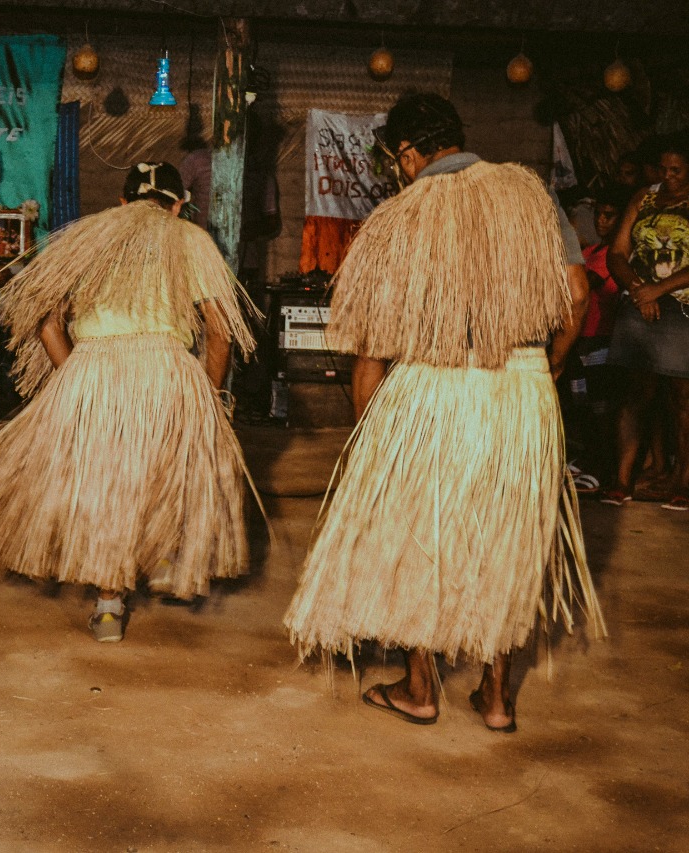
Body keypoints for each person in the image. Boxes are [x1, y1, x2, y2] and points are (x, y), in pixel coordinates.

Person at [284, 93, 603, 733]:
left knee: (412, 535)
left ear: (407, 153)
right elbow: (576, 294)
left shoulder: (397, 218)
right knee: (506, 540)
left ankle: (420, 689)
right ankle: (495, 699)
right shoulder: (528, 194)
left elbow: (370, 350)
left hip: (430, 394)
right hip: (520, 390)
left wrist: (369, 440)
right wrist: (549, 367)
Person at [0, 162, 258, 643]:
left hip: (93, 368)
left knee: (107, 483)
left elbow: (46, 323)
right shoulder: (190, 238)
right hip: (164, 367)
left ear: (124, 203)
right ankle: (164, 559)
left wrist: (77, 382)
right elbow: (220, 331)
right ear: (176, 204)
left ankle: (109, 605)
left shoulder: (86, 237)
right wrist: (211, 397)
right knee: (165, 471)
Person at [602, 134, 689, 511]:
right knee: (635, 395)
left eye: (677, 170)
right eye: (664, 168)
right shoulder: (643, 198)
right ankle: (622, 481)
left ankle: (684, 481)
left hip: (682, 308)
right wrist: (638, 289)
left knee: (682, 399)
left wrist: (659, 290)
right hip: (639, 304)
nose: (669, 176)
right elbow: (617, 252)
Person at [566, 184, 633, 487]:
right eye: (599, 215)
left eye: (610, 216)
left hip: (601, 340)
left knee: (600, 408)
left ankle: (602, 468)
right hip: (581, 339)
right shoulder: (588, 252)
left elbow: (583, 283)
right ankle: (589, 459)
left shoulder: (613, 256)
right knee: (582, 405)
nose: (603, 221)